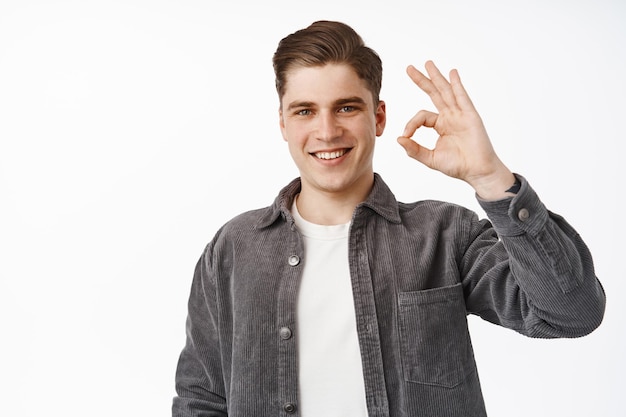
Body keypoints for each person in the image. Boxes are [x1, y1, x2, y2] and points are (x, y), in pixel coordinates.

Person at [172, 20, 605, 417]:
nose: (326, 131)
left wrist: (492, 178)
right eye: (305, 110)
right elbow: (201, 398)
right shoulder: (234, 247)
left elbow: (572, 313)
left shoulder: (444, 235)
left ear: (378, 117)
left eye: (346, 108)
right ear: (283, 122)